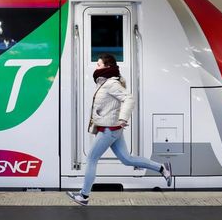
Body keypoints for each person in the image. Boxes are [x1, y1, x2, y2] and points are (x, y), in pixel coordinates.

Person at [67, 53, 172, 206]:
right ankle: (162, 168)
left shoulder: (111, 83)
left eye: (98, 64)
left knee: (91, 159)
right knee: (127, 159)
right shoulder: (104, 82)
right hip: (111, 128)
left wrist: (123, 118)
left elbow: (129, 98)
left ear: (107, 67)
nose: (96, 67)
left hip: (110, 129)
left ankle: (84, 196)